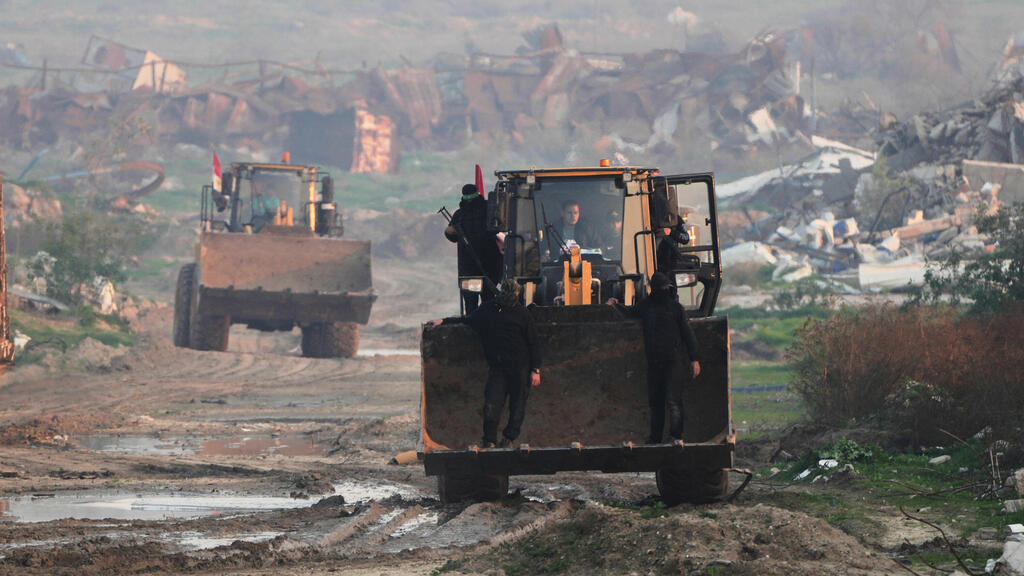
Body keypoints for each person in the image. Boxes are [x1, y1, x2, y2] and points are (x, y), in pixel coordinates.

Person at [432, 279, 542, 448]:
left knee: (518, 405)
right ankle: (489, 439)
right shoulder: (488, 310)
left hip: (520, 368)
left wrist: (535, 369)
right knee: (492, 403)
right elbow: (467, 319)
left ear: (517, 294)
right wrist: (443, 321)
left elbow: (533, 343)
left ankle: (509, 439)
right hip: (498, 368)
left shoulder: (522, 314)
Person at [608, 271, 700, 444]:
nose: (666, 290)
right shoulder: (647, 306)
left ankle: (676, 436)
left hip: (672, 361)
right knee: (657, 403)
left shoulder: (674, 308)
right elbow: (630, 312)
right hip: (655, 362)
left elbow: (688, 334)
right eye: (664, 287)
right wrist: (616, 305)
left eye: (667, 287)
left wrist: (694, 359)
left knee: (673, 401)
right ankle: (656, 439)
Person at [445, 184, 502, 313]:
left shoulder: (461, 215)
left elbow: (451, 235)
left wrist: (449, 232)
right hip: (486, 269)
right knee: (486, 303)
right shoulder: (488, 210)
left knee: (474, 306)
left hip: (474, 270)